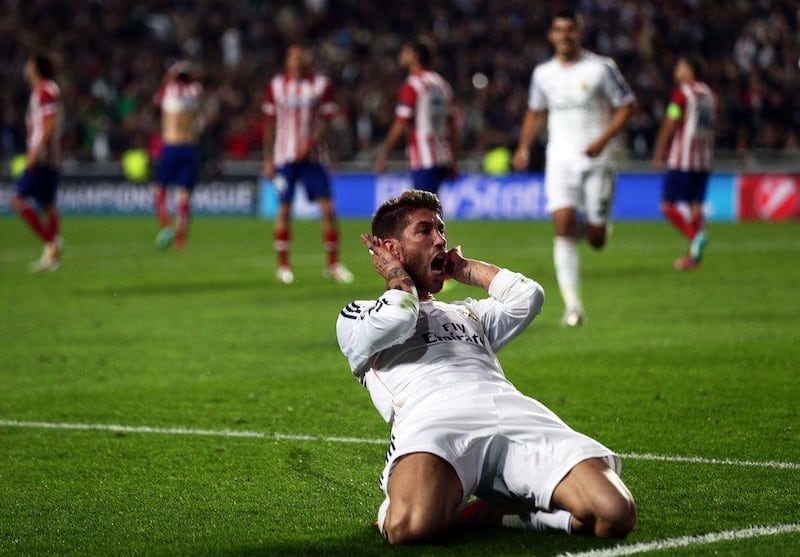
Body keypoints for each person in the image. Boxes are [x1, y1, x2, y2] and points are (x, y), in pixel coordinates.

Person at [336, 190, 636, 545]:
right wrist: (395, 273)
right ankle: (401, 502)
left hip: (510, 412)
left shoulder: (468, 312)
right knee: (409, 528)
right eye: (424, 231)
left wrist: (464, 269)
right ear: (392, 248)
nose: (440, 239)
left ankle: (501, 514)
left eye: (441, 229)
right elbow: (400, 315)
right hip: (434, 422)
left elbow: (529, 297)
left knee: (614, 513)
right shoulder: (359, 315)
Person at [513, 9, 636, 327]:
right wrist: (524, 147)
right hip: (560, 159)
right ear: (551, 35)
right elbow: (535, 111)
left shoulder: (600, 68)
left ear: (580, 32)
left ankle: (598, 227)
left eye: (570, 29)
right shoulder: (543, 74)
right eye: (559, 29)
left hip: (597, 160)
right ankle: (573, 307)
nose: (564, 35)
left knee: (595, 239)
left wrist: (603, 139)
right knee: (563, 225)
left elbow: (627, 105)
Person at [262, 43, 353, 285]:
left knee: (328, 209)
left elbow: (326, 120)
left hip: (313, 158)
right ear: (286, 60)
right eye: (292, 56)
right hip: (284, 158)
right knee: (283, 209)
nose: (296, 60)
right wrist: (268, 157)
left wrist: (311, 143)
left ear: (306, 59)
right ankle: (283, 265)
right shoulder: (276, 86)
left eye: (300, 56)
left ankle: (333, 265)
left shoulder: (320, 85)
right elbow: (270, 123)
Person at [652, 55, 716, 270]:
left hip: (683, 159)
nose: (676, 70)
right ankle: (693, 258)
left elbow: (671, 122)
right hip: (704, 159)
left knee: (667, 205)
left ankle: (695, 237)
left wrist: (660, 149)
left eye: (680, 66)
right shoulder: (709, 94)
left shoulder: (682, 94)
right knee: (695, 207)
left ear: (690, 69)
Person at [374, 38, 458, 193]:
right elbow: (452, 124)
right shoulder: (441, 83)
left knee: (423, 210)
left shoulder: (412, 84)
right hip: (443, 154)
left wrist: (385, 154)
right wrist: (453, 159)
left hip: (423, 156)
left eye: (404, 52)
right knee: (430, 207)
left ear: (414, 56)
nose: (401, 56)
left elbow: (400, 123)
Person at [11, 53, 64, 272]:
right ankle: (51, 253)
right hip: (50, 157)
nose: (26, 66)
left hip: (42, 157)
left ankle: (51, 243)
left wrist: (36, 152)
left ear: (36, 68)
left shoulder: (44, 91)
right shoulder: (45, 90)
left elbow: (49, 123)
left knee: (17, 200)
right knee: (47, 204)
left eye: (29, 63)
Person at [152, 60, 204, 251]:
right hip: (189, 146)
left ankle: (166, 227)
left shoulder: (168, 91)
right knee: (184, 195)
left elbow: (158, 97)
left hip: (171, 146)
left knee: (159, 190)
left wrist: (170, 76)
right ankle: (181, 239)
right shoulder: (195, 91)